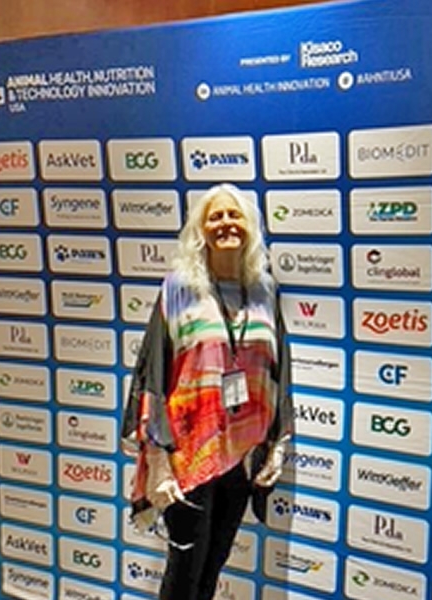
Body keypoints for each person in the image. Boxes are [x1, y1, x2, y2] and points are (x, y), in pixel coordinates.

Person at [121, 183, 292, 600]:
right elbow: (153, 371)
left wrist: (278, 443)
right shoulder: (180, 287)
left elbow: (279, 368)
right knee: (185, 571)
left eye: (234, 216)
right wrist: (158, 460)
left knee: (214, 563)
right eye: (215, 217)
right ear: (200, 230)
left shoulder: (265, 290)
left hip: (242, 454)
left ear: (250, 228)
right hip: (188, 452)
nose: (225, 224)